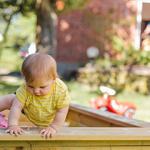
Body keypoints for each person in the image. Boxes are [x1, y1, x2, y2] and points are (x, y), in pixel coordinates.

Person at [0, 53, 70, 138]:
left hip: (50, 118)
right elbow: (16, 107)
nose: (36, 91)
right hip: (29, 109)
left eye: (42, 87)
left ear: (53, 79)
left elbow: (62, 111)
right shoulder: (24, 89)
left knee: (57, 120)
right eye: (31, 86)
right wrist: (13, 125)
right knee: (11, 99)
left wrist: (53, 127)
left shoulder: (60, 90)